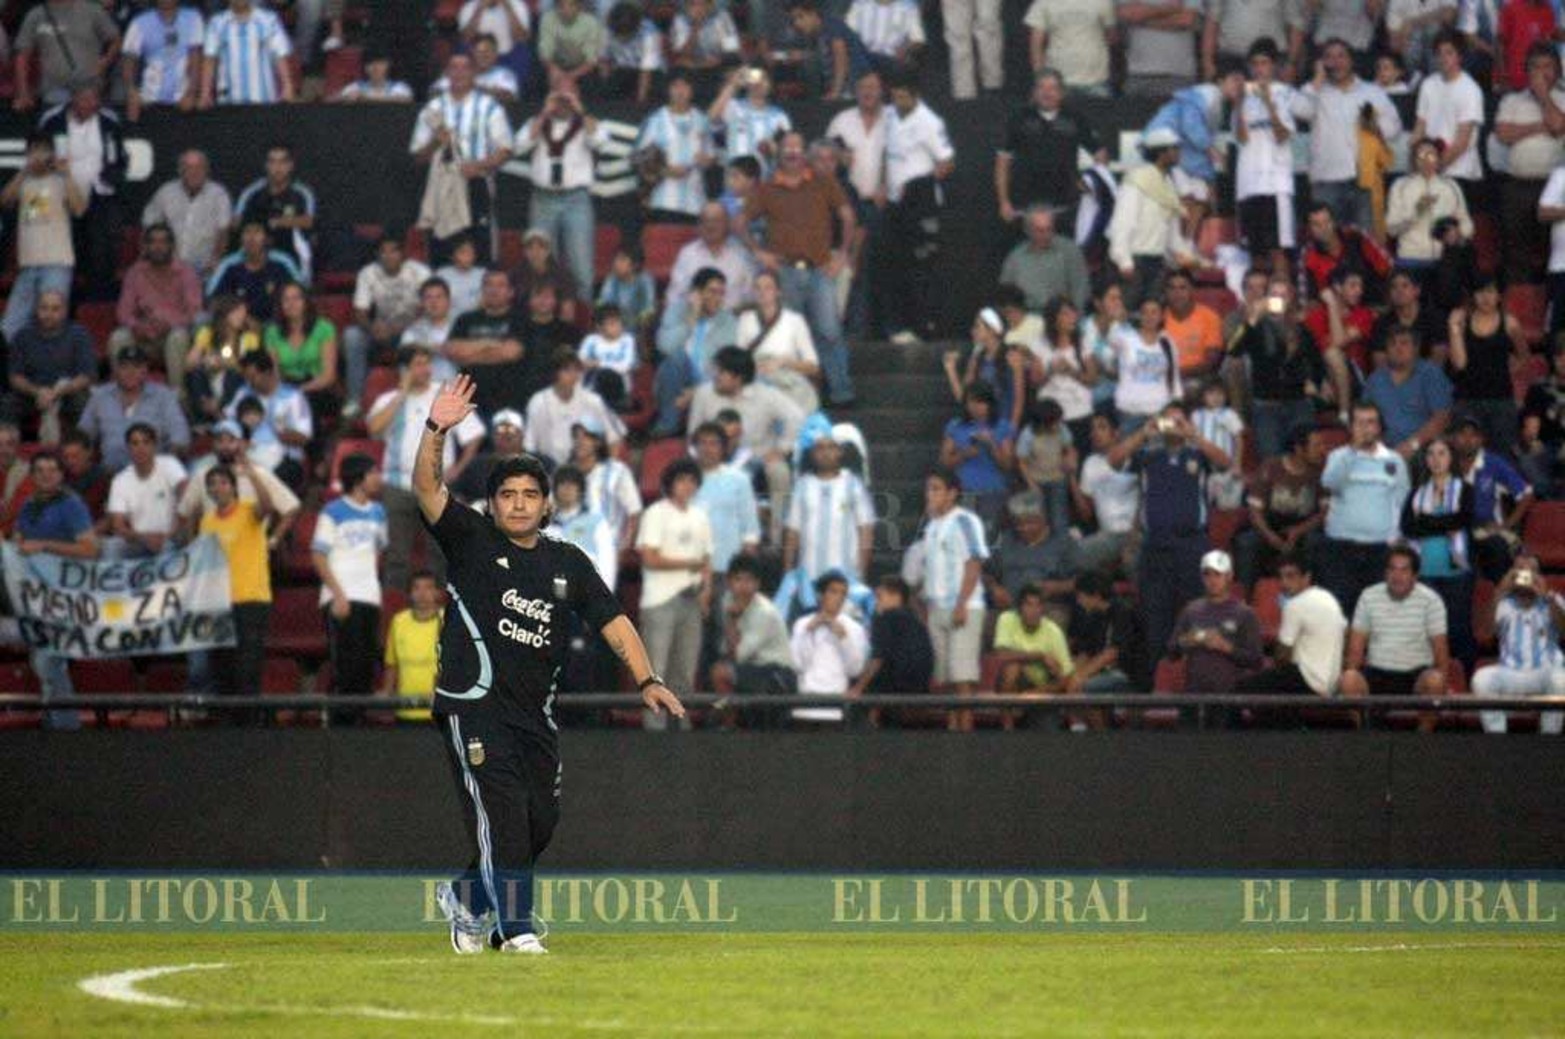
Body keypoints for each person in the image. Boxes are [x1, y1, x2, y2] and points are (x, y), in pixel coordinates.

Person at [414, 375, 684, 953]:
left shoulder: (568, 561)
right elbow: (427, 490)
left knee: (541, 822)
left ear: (546, 503)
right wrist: (436, 429)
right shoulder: (471, 539)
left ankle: (465, 900)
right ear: (493, 502)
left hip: (533, 714)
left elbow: (613, 620)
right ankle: (516, 930)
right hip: (473, 704)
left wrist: (647, 678)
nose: (518, 504)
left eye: (529, 495)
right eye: (508, 494)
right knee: (507, 816)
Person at [1107, 401, 1232, 669]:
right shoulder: (1147, 455)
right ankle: (1158, 682)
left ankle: (1193, 678)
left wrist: (1194, 435)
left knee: (1195, 613)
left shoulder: (1197, 454)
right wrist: (1144, 432)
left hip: (1192, 545)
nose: (1173, 426)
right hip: (1156, 546)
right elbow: (1114, 460)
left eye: (1179, 420)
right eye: (1168, 420)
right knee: (1156, 617)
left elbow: (1225, 462)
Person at [738, 131, 858, 407]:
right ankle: (800, 395)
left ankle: (841, 391)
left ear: (805, 153)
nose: (792, 152)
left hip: (820, 269)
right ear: (778, 152)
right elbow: (739, 223)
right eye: (787, 147)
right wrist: (759, 252)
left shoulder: (824, 181)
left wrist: (841, 255)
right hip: (785, 272)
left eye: (797, 147)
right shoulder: (766, 188)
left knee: (829, 331)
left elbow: (848, 216)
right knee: (791, 334)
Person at [368, 345, 484, 590]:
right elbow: (374, 429)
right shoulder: (388, 399)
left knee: (441, 553)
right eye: (418, 364)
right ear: (404, 369)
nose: (425, 369)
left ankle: (444, 614)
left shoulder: (443, 395)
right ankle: (395, 614)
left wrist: (458, 469)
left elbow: (474, 436)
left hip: (438, 485)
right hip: (397, 486)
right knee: (397, 556)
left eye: (427, 363)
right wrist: (402, 392)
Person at [12, 450, 100, 730]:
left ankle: (65, 727)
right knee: (42, 659)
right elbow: (19, 541)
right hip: (34, 597)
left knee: (48, 659)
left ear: (62, 475)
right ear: (33, 476)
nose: (47, 475)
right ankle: (55, 721)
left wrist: (45, 546)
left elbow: (90, 549)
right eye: (40, 470)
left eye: (53, 470)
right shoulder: (28, 505)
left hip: (65, 596)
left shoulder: (71, 505)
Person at [410, 53, 515, 266]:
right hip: (442, 185)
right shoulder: (432, 109)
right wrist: (435, 143)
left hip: (475, 183)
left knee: (480, 250)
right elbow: (418, 157)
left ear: (473, 73)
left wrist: (479, 165)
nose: (459, 73)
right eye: (453, 68)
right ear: (447, 73)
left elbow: (505, 149)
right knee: (442, 251)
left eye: (464, 68)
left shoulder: (489, 106)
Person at [1291, 39, 1404, 234]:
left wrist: (1374, 128)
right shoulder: (1315, 92)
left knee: (1365, 246)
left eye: (1341, 56)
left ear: (1352, 61)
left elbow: (1394, 127)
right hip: (1326, 181)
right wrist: (1317, 79)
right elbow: (1300, 110)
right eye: (1329, 57)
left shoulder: (1372, 91)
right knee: (1328, 245)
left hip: (1363, 181)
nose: (1336, 62)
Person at [636, 457, 712, 731]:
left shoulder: (700, 516)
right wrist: (688, 563)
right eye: (682, 480)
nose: (687, 486)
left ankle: (682, 727)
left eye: (692, 481)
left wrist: (706, 592)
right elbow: (650, 558)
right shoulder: (656, 513)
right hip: (660, 600)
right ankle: (654, 730)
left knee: (685, 673)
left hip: (691, 600)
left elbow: (707, 561)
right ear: (670, 484)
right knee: (655, 672)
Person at [1338, 544, 1450, 731]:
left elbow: (1441, 654)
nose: (1397, 576)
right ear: (1385, 573)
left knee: (1436, 681)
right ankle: (1366, 739)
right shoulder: (1368, 596)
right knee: (1349, 679)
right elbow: (1355, 652)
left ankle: (1421, 742)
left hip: (1415, 676)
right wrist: (1351, 674)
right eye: (1392, 569)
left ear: (1415, 576)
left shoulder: (1431, 600)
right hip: (1376, 673)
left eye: (1404, 570)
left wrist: (1442, 687)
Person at [198, 458, 277, 721]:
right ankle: (227, 726)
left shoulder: (247, 511)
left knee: (248, 667)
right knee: (222, 667)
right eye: (212, 484)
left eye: (222, 482)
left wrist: (252, 474)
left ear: (233, 487)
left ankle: (249, 726)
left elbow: (268, 506)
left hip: (250, 599)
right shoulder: (207, 521)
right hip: (219, 603)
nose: (217, 488)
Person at [878, 73, 955, 344]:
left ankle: (926, 326)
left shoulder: (930, 122)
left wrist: (920, 185)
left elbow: (947, 162)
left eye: (903, 97)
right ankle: (897, 326)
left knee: (922, 267)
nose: (897, 102)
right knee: (893, 265)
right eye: (894, 96)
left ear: (915, 96)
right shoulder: (888, 115)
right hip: (894, 204)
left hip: (919, 204)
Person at [1316, 402, 1413, 615]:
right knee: (1340, 612)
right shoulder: (1338, 456)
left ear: (1379, 427)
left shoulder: (1394, 461)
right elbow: (1329, 483)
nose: (1365, 428)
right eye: (1359, 423)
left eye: (1370, 422)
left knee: (1377, 613)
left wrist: (1396, 539)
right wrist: (1352, 452)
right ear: (1351, 427)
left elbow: (1403, 503)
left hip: (1380, 550)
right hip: (1341, 547)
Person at [1231, 552, 1348, 726]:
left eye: (1291, 576)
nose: (1284, 583)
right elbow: (1345, 633)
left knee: (1241, 689)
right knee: (1274, 688)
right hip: (1331, 684)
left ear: (1306, 578)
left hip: (1309, 681)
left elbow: (1282, 656)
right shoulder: (1328, 598)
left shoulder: (1295, 604)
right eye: (1281, 577)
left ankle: (1234, 744)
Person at [913, 466, 989, 731]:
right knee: (944, 679)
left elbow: (974, 562)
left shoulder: (965, 521)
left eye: (936, 489)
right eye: (928, 489)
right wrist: (926, 608)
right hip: (938, 609)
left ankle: (964, 737)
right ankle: (951, 731)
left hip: (964, 607)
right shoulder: (932, 526)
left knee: (962, 677)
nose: (929, 494)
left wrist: (961, 604)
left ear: (952, 493)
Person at [313, 454, 388, 720]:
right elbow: (318, 556)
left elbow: (378, 551)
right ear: (358, 477)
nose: (379, 478)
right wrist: (338, 594)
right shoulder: (332, 511)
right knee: (346, 664)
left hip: (369, 596)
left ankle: (359, 723)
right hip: (341, 597)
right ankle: (339, 723)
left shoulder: (379, 512)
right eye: (373, 472)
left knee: (366, 664)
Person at [517, 89, 608, 301]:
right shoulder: (537, 122)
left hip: (576, 200)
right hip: (543, 199)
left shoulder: (585, 123)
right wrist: (544, 113)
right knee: (541, 265)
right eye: (558, 97)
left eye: (567, 97)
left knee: (581, 268)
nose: (563, 102)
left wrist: (580, 109)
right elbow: (519, 145)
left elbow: (601, 141)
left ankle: (583, 323)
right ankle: (547, 320)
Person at [37, 85, 126, 300]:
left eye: (94, 100)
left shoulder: (109, 121)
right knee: (66, 248)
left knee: (101, 247)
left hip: (99, 194)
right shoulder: (52, 120)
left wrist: (110, 178)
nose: (90, 105)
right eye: (84, 99)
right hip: (61, 196)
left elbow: (119, 157)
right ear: (73, 99)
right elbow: (37, 155)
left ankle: (97, 301)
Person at [1225, 277, 1326, 459]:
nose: (1278, 300)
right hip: (1266, 405)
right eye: (1274, 295)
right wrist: (1253, 318)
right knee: (1271, 459)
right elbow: (1233, 350)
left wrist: (1315, 384)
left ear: (1291, 300)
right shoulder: (1255, 329)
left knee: (1306, 456)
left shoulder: (1301, 330)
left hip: (1298, 402)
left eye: (1283, 295)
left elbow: (1318, 362)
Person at [1401, 437, 1478, 673]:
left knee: (1457, 630)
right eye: (1431, 454)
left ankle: (1464, 682)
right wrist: (1444, 524)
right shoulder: (1415, 493)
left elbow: (1463, 520)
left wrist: (1427, 522)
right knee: (1424, 632)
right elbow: (1408, 527)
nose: (1436, 459)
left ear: (1450, 457)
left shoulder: (1465, 489)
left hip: (1456, 572)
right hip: (1423, 573)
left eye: (1441, 453)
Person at [0, 134, 86, 343]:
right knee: (10, 326)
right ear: (27, 154)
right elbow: (4, 201)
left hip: (57, 263)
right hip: (28, 266)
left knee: (52, 323)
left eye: (43, 151)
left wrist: (66, 174)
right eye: (33, 151)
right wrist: (24, 171)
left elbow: (79, 209)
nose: (38, 156)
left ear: (52, 154)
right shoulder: (23, 181)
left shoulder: (60, 180)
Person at [1493, 43, 1565, 285]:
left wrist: (1544, 97)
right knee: (1515, 250)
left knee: (1549, 250)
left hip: (1552, 187)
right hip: (1517, 185)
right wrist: (1538, 127)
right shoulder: (1512, 100)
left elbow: (1557, 126)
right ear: (1527, 71)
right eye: (1536, 67)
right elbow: (1503, 134)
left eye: (1548, 67)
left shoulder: (1563, 99)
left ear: (1557, 71)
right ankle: (1517, 306)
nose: (1542, 72)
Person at [1472, 553, 1565, 735]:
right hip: (1510, 673)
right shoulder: (1502, 603)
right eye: (1519, 571)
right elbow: (1483, 634)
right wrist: (1499, 592)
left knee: (1562, 679)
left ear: (1539, 575)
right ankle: (1497, 740)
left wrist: (1546, 596)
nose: (1525, 577)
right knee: (1481, 678)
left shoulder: (1552, 601)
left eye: (1530, 572)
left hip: (1545, 672)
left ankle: (1548, 739)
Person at [996, 71, 1101, 228]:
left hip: (1066, 204)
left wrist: (1092, 183)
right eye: (1041, 88)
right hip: (1026, 204)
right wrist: (1004, 201)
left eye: (1053, 88)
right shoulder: (1018, 119)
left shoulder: (1075, 119)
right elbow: (1002, 163)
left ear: (1062, 93)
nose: (1047, 93)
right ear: (1034, 92)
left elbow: (1099, 153)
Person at [174, 417, 300, 548]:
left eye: (230, 441)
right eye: (219, 441)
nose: (224, 446)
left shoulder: (259, 474)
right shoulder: (202, 475)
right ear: (213, 444)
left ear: (241, 443)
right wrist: (192, 545)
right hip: (211, 555)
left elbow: (291, 508)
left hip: (249, 552)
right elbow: (186, 513)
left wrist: (273, 540)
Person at [1232, 37, 1299, 273]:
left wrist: (1269, 103)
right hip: (1248, 184)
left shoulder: (1286, 93)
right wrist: (1239, 101)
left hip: (1275, 183)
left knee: (1278, 249)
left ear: (1274, 66)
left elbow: (1282, 136)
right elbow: (1240, 138)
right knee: (1256, 252)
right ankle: (1259, 306)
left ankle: (1282, 303)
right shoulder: (1244, 96)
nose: (1260, 69)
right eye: (1255, 64)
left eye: (1265, 63)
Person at [109, 224, 202, 391]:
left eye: (163, 242)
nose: (158, 247)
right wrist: (138, 326)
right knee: (119, 337)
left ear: (172, 246)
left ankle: (178, 396)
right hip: (142, 336)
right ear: (145, 247)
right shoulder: (135, 273)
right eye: (153, 242)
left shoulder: (186, 273)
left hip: (172, 336)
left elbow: (194, 312)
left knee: (178, 336)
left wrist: (167, 323)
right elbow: (123, 312)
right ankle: (119, 395)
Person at [1232, 423, 1326, 588]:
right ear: (1299, 449)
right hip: (1270, 528)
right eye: (1316, 445)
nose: (1322, 450)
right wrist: (1270, 536)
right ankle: (1244, 599)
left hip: (1302, 530)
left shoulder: (1321, 472)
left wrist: (1299, 530)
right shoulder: (1271, 467)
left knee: (1318, 543)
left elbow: (1325, 512)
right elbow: (1255, 511)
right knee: (1246, 542)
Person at [1447, 274, 1529, 457]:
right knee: (1465, 454)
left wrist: (1506, 371)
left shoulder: (1509, 323)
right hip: (1467, 399)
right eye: (1480, 292)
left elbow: (1524, 355)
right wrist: (1453, 327)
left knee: (1501, 455)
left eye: (1490, 292)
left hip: (1500, 400)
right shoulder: (1461, 321)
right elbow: (1459, 363)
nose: (1485, 297)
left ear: (1499, 295)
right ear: (1473, 295)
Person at [710, 555, 797, 725]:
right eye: (738, 580)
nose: (743, 587)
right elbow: (724, 650)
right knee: (715, 671)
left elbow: (737, 656)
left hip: (778, 674)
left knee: (721, 673)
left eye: (749, 581)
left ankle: (729, 727)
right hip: (752, 668)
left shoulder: (765, 612)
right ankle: (724, 717)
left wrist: (733, 621)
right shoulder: (726, 600)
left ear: (757, 584)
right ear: (729, 582)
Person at [1167, 549, 1264, 700]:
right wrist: (1187, 640)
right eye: (1207, 574)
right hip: (1193, 695)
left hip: (1228, 696)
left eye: (1217, 574)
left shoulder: (1244, 614)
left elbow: (1256, 660)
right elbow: (1171, 651)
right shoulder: (1191, 610)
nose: (1212, 580)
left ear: (1229, 576)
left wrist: (1226, 647)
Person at [784, 428, 875, 586]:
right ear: (812, 454)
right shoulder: (802, 486)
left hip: (846, 577)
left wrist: (861, 572)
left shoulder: (853, 484)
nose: (825, 453)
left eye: (831, 447)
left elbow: (866, 530)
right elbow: (793, 532)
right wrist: (787, 572)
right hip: (809, 576)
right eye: (820, 448)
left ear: (840, 452)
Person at [444, 270, 539, 419]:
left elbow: (510, 353)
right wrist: (491, 344)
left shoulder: (522, 320)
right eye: (488, 285)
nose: (494, 290)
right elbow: (453, 351)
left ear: (511, 292)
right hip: (469, 404)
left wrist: (470, 355)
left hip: (511, 402)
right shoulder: (465, 319)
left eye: (500, 285)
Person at [1450, 415, 1535, 581]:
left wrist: (1507, 524)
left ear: (1481, 440)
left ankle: (1510, 597)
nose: (1467, 439)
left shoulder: (1493, 463)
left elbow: (1527, 493)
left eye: (1473, 435)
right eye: (1462, 434)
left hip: (1487, 531)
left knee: (1507, 551)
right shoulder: (1445, 460)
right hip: (1454, 531)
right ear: (1454, 439)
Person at [1410, 29, 1487, 211]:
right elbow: (1419, 129)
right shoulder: (1428, 84)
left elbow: (1462, 142)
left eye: (1449, 52)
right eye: (1439, 53)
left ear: (1460, 56)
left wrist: (1433, 169)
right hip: (1429, 171)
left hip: (1460, 173)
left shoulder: (1470, 90)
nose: (1443, 58)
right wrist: (1416, 165)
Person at [5, 291, 95, 443]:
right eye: (44, 308)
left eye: (55, 309)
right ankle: (7, 452)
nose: (49, 314)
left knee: (84, 403)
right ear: (36, 310)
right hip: (33, 392)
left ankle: (78, 449)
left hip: (67, 392)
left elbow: (86, 376)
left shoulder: (79, 334)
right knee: (6, 405)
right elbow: (15, 377)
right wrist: (38, 391)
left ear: (65, 311)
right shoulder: (23, 336)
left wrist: (56, 392)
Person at [736, 269, 821, 415]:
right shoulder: (745, 319)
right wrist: (753, 366)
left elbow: (813, 366)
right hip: (756, 381)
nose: (762, 292)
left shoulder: (795, 320)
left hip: (787, 382)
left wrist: (784, 363)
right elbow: (738, 358)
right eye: (758, 288)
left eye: (768, 287)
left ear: (778, 292)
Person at [12, 0, 121, 113]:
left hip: (89, 87)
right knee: (56, 126)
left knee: (87, 128)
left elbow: (116, 40)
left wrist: (105, 62)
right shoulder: (35, 15)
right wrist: (23, 92)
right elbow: (22, 55)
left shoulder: (93, 10)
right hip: (53, 87)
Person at [789, 570, 869, 724]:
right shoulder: (802, 624)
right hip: (805, 707)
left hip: (836, 708)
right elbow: (797, 665)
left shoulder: (854, 628)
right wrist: (808, 633)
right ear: (820, 595)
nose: (839, 598)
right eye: (833, 592)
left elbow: (855, 669)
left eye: (843, 594)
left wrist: (844, 638)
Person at [1363, 327, 1454, 460]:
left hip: (1422, 450)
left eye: (1404, 343)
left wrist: (1412, 445)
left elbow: (1442, 418)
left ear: (1416, 349)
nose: (1398, 348)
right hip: (1382, 451)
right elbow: (1364, 418)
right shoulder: (1375, 380)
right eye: (1392, 344)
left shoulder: (1431, 374)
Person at [141, 150, 232, 280]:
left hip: (204, 270)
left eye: (199, 167)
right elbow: (148, 227)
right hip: (168, 267)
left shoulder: (219, 195)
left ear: (206, 170)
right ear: (180, 170)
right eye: (188, 167)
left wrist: (215, 261)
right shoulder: (165, 192)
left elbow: (223, 233)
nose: (194, 172)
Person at [1386, 138, 1475, 270]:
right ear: (1414, 160)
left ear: (1438, 159)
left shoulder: (1451, 185)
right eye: (1421, 155)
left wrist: (1459, 234)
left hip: (1446, 259)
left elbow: (1467, 222)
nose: (1426, 160)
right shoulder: (1400, 186)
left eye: (1431, 155)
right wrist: (1416, 213)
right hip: (1410, 258)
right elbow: (1391, 229)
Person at [229, 351, 313, 491]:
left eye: (252, 377)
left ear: (268, 372)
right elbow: (229, 423)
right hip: (246, 455)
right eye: (245, 378)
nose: (249, 382)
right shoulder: (243, 393)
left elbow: (303, 438)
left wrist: (277, 432)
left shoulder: (293, 397)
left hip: (286, 459)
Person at [636, 74, 715, 222]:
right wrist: (665, 170)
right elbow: (639, 158)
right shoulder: (655, 120)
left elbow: (711, 156)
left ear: (692, 90)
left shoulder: (702, 120)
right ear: (668, 90)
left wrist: (707, 161)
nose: (680, 91)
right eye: (675, 86)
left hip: (696, 203)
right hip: (663, 202)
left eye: (685, 86)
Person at [1072, 412, 1141, 578]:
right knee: (1073, 557)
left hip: (1136, 534)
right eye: (1092, 429)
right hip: (1107, 535)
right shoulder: (1090, 463)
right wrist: (1071, 476)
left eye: (1102, 427)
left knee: (1134, 563)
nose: (1095, 433)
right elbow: (1086, 513)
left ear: (1116, 433)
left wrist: (1133, 540)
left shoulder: (1134, 459)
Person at [984, 490, 1078, 612]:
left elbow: (1082, 582)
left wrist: (1057, 587)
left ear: (1043, 519)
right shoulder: (1007, 540)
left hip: (1048, 610)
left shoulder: (1063, 543)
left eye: (1029, 522)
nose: (1023, 528)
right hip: (1007, 609)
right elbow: (986, 574)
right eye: (1018, 523)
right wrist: (994, 588)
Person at [105, 422, 186, 559]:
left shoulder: (169, 464)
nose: (140, 448)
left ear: (154, 446)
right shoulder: (120, 480)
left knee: (167, 548)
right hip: (138, 540)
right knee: (111, 547)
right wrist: (144, 538)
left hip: (171, 537)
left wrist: (173, 530)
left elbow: (185, 492)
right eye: (135, 443)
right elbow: (118, 525)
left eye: (146, 442)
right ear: (128, 448)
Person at [849, 575, 934, 704]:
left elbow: (878, 658)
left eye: (879, 597)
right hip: (920, 684)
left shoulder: (886, 618)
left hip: (897, 684)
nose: (876, 602)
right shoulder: (915, 618)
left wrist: (857, 688)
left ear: (896, 596)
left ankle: (869, 720)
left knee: (853, 680)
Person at [691, 422, 761, 576]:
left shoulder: (739, 479)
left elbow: (750, 529)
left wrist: (745, 568)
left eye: (713, 444)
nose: (707, 449)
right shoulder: (683, 479)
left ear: (723, 448)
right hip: (690, 567)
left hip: (728, 566)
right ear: (694, 448)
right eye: (702, 443)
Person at [1065, 570, 1145, 701]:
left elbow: (1112, 653)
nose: (1078, 601)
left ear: (1096, 595)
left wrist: (1081, 675)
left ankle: (1096, 723)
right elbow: (1086, 652)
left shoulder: (1123, 613)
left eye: (1080, 596)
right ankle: (1078, 722)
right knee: (1067, 681)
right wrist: (1071, 673)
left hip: (1126, 673)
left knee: (1084, 687)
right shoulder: (1094, 617)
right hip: (1102, 672)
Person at [199, 0, 295, 107]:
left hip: (264, 100)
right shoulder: (216, 23)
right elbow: (210, 59)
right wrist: (205, 93)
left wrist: (288, 87)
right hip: (228, 102)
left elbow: (280, 55)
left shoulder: (270, 20)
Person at [266, 281, 340, 418]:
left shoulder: (324, 328)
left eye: (296, 298)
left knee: (306, 403)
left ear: (306, 301)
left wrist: (300, 390)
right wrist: (288, 392)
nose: (291, 304)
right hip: (286, 385)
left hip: (317, 387)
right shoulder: (272, 332)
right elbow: (274, 374)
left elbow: (328, 376)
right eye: (286, 299)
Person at [206, 220, 303, 323]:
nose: (251, 238)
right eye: (247, 232)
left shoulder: (283, 262)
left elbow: (300, 295)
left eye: (257, 232)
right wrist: (244, 319)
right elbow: (213, 300)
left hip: (277, 324)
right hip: (239, 324)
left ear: (267, 239)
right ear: (241, 238)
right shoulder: (229, 264)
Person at [1111, 296, 1182, 432]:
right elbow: (1112, 338)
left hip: (1160, 411)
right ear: (1139, 315)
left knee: (1158, 451)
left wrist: (1176, 404)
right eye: (1145, 312)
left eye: (1154, 312)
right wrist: (1117, 321)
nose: (1149, 316)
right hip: (1128, 412)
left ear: (1161, 316)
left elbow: (1174, 376)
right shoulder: (1126, 338)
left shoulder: (1167, 341)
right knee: (1131, 451)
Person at [999, 207, 1090, 312]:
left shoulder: (1070, 251)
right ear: (1028, 231)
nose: (1045, 235)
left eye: (1049, 229)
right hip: (1027, 320)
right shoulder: (1015, 258)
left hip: (1060, 319)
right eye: (1039, 230)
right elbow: (1005, 295)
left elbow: (1081, 291)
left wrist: (1073, 318)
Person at [1300, 201, 1394, 303]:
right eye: (1316, 225)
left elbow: (1390, 269)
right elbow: (1307, 299)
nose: (1324, 228)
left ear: (1334, 222)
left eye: (1327, 222)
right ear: (1308, 229)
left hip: (1374, 307)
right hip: (1334, 314)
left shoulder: (1356, 236)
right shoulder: (1307, 255)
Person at [381, 571, 444, 724]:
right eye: (417, 588)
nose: (422, 593)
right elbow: (392, 663)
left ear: (437, 592)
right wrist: (387, 692)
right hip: (404, 711)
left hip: (438, 714)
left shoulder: (449, 620)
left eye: (428, 588)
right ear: (409, 593)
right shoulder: (399, 622)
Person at [1119, 0, 1207, 99]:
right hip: (1138, 75)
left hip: (1179, 76)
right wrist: (1170, 9)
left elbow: (1188, 19)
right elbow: (1127, 14)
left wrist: (1142, 20)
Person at [786, 0, 874, 100]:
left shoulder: (831, 25)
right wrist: (803, 55)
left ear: (813, 14)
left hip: (856, 83)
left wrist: (835, 92)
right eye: (793, 19)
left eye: (801, 17)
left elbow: (840, 59)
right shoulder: (814, 34)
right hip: (834, 84)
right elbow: (824, 54)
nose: (797, 23)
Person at [1202, 0, 1305, 80]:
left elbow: (1297, 24)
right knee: (1230, 106)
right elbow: (1211, 21)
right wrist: (1207, 61)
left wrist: (1292, 63)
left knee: (1272, 103)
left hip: (1270, 61)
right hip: (1231, 59)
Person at [1161, 269, 1223, 379]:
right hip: (1163, 379)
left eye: (1183, 288)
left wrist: (1178, 375)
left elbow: (1211, 362)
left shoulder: (1209, 317)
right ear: (1165, 292)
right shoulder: (1158, 318)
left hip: (1198, 378)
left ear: (1192, 290)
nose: (1177, 293)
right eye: (1172, 288)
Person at [599, 2, 663, 105]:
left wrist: (640, 102)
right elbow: (604, 59)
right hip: (622, 70)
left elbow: (646, 71)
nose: (621, 39)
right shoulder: (609, 28)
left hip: (650, 73)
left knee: (651, 97)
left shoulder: (650, 33)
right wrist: (606, 85)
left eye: (625, 35)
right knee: (605, 95)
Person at [848, 0, 927, 74]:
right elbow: (847, 33)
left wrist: (905, 48)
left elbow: (918, 39)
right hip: (863, 59)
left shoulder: (908, 6)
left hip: (892, 60)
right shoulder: (860, 4)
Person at [331, 51, 415, 103]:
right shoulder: (356, 86)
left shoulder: (399, 87)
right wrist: (344, 97)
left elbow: (405, 100)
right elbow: (330, 100)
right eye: (371, 64)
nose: (375, 68)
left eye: (380, 63)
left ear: (387, 66)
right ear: (365, 68)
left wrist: (366, 99)